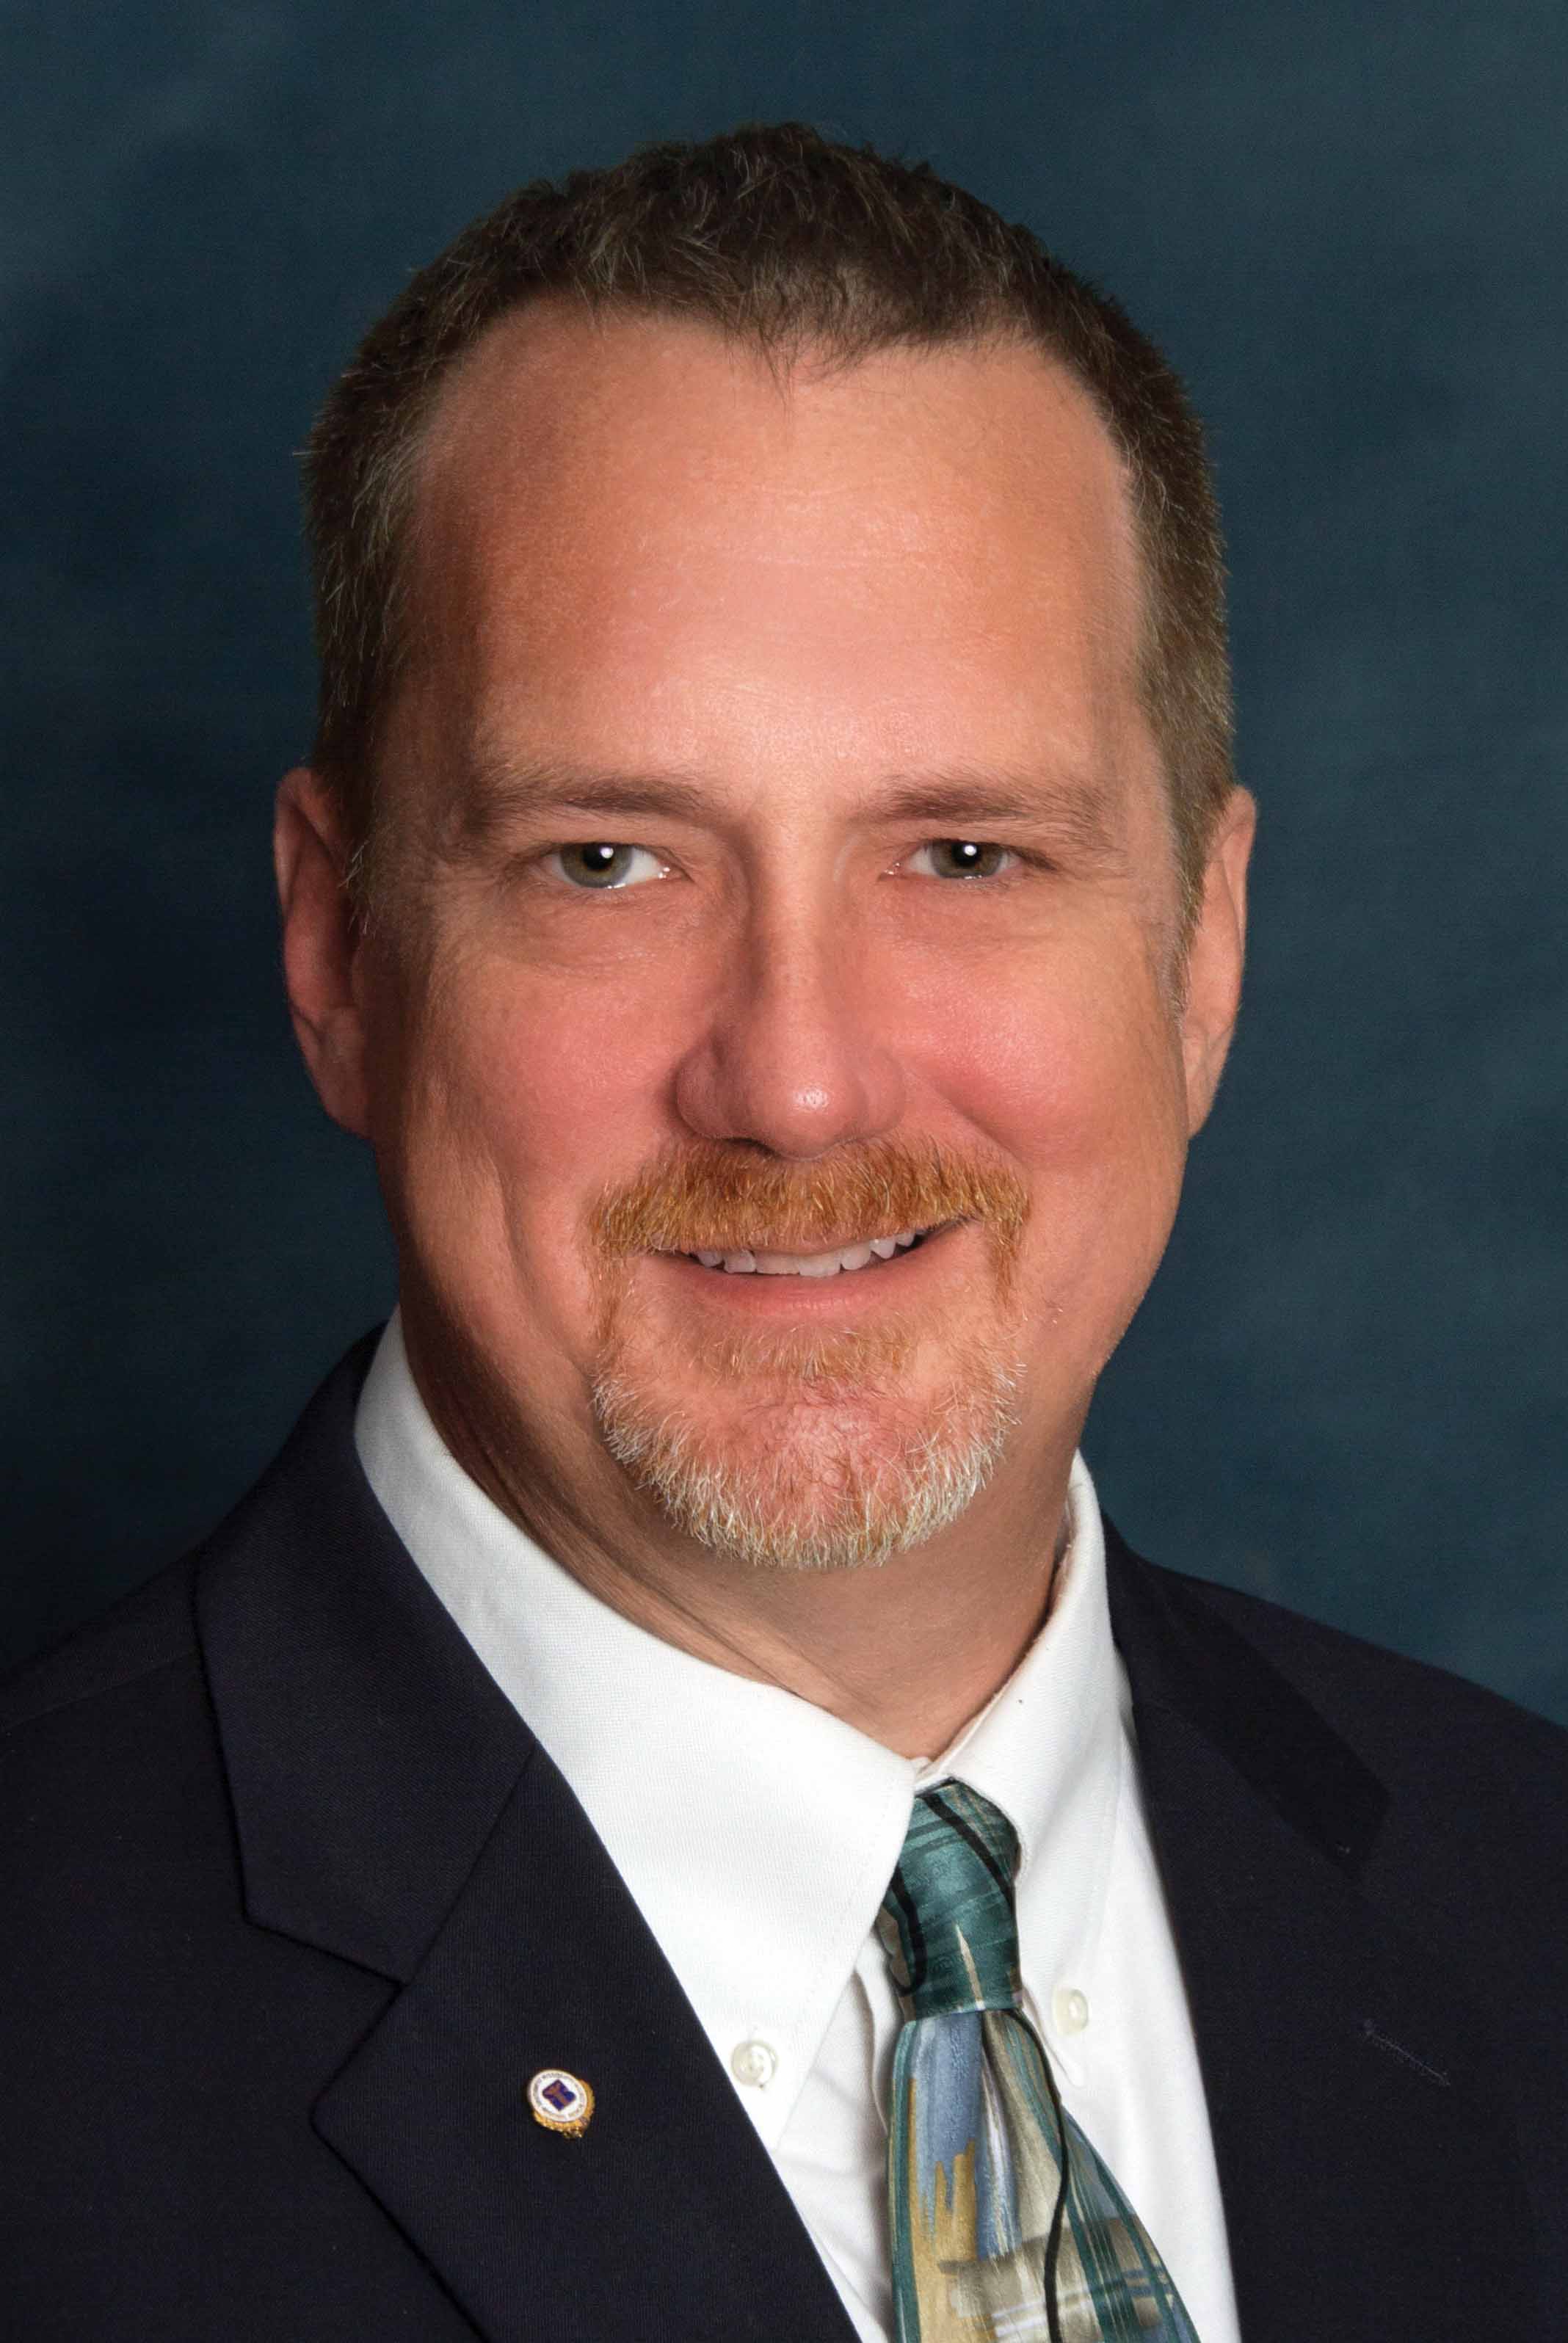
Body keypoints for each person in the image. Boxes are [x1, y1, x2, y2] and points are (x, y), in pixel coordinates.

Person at [1, 123, 1563, 2343]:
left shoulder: (1524, 1895)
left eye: (965, 857)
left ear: (1202, 953)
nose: (800, 1082)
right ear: (341, 951)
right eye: (609, 862)